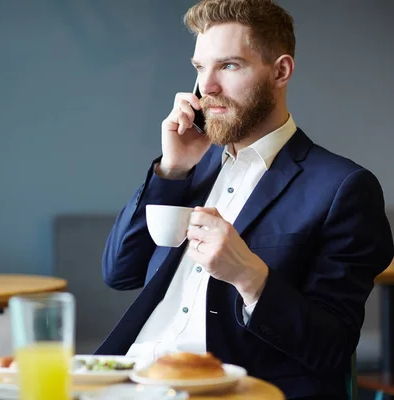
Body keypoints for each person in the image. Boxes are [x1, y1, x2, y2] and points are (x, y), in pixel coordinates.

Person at [94, 0, 394, 399]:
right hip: (132, 381)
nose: (207, 87)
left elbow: (332, 347)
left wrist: (249, 277)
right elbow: (120, 273)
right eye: (201, 68)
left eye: (229, 66)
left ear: (281, 71)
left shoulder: (343, 188)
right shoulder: (192, 164)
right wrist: (172, 170)